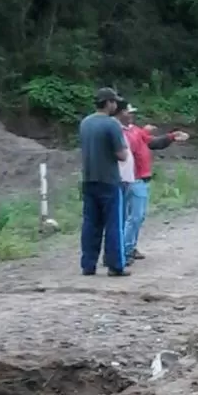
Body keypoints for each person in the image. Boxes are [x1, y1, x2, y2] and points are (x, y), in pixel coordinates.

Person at [121, 107, 189, 262]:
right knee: (133, 217)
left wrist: (171, 137)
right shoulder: (122, 132)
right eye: (128, 112)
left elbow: (152, 142)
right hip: (133, 178)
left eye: (132, 113)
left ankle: (129, 247)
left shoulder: (134, 130)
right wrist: (146, 132)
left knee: (136, 216)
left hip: (140, 178)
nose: (132, 115)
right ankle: (125, 250)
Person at [79, 87, 130, 277]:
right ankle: (115, 265)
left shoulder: (85, 123)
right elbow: (122, 155)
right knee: (114, 224)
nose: (116, 105)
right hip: (109, 180)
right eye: (114, 101)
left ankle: (88, 264)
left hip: (89, 178)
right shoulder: (112, 124)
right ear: (108, 103)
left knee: (90, 223)